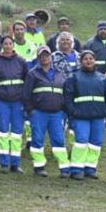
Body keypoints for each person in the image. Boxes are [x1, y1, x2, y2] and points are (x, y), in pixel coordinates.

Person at [63, 50, 106, 180]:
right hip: (81, 117)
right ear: (81, 61)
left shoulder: (103, 78)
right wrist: (73, 112)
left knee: (96, 143)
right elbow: (67, 98)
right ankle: (76, 169)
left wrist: (105, 111)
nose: (89, 61)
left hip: (98, 117)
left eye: (91, 58)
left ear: (94, 60)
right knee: (81, 142)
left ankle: (91, 168)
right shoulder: (73, 77)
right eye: (86, 59)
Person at [24, 45, 68, 177]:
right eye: (42, 56)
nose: (44, 58)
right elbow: (26, 95)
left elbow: (65, 92)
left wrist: (64, 109)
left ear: (51, 57)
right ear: (38, 58)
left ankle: (64, 167)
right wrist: (31, 110)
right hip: (39, 112)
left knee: (59, 140)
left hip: (57, 113)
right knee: (37, 140)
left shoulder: (60, 73)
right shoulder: (32, 74)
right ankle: (39, 166)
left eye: (47, 55)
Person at [0, 34, 28, 173]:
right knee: (3, 132)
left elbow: (26, 81)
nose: (7, 46)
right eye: (5, 44)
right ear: (2, 46)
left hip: (18, 102)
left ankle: (15, 163)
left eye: (10, 43)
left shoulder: (21, 61)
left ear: (13, 45)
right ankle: (4, 163)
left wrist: (22, 97)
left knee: (17, 133)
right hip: (3, 102)